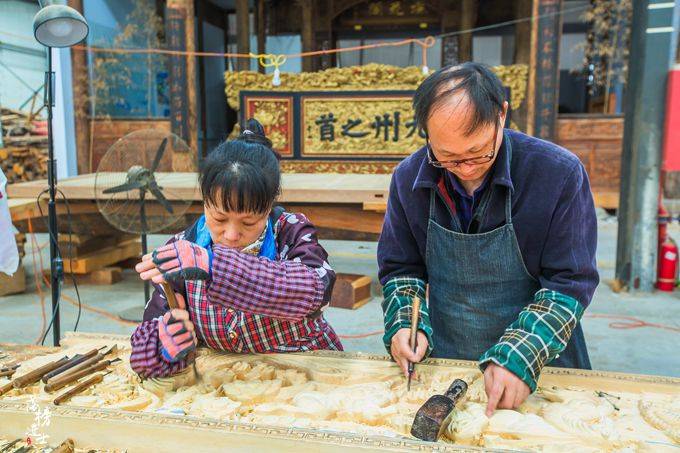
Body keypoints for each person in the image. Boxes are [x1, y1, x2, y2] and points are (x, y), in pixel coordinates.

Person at [378, 62, 598, 416]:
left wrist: (521, 354)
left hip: (541, 362)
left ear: (502, 114)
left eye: (479, 152)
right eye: (447, 157)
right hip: (449, 360)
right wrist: (405, 322)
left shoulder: (556, 173)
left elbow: (569, 282)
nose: (465, 168)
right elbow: (402, 268)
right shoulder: (409, 178)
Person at [130, 119, 342, 378]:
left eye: (248, 222)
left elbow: (316, 292)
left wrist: (214, 265)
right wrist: (164, 347)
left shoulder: (290, 232)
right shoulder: (183, 249)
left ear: (268, 207)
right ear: (205, 202)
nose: (231, 235)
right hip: (228, 381)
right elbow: (149, 342)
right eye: (219, 218)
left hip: (304, 374)